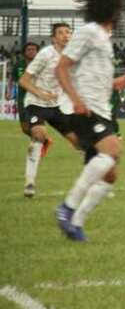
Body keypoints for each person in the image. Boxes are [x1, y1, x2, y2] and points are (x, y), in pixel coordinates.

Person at [54, 0, 125, 242]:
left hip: (101, 110)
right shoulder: (88, 32)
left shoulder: (103, 38)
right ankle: (68, 207)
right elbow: (62, 67)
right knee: (112, 151)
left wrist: (114, 83)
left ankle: (75, 224)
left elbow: (90, 75)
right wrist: (75, 100)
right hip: (85, 108)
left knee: (109, 174)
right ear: (111, 11)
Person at [18, 23, 77, 197]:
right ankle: (29, 183)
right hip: (36, 103)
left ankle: (95, 181)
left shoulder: (72, 56)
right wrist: (41, 94)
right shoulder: (45, 54)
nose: (65, 35)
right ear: (54, 37)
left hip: (57, 105)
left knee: (79, 142)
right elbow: (24, 81)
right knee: (38, 134)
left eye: (68, 32)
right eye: (61, 32)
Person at [13, 42, 42, 139]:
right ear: (24, 52)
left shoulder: (41, 64)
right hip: (22, 98)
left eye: (33, 49)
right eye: (29, 49)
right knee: (25, 128)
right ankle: (39, 139)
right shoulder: (19, 64)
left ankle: (39, 140)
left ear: (37, 52)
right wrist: (9, 91)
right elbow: (12, 79)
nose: (31, 51)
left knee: (36, 124)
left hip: (36, 98)